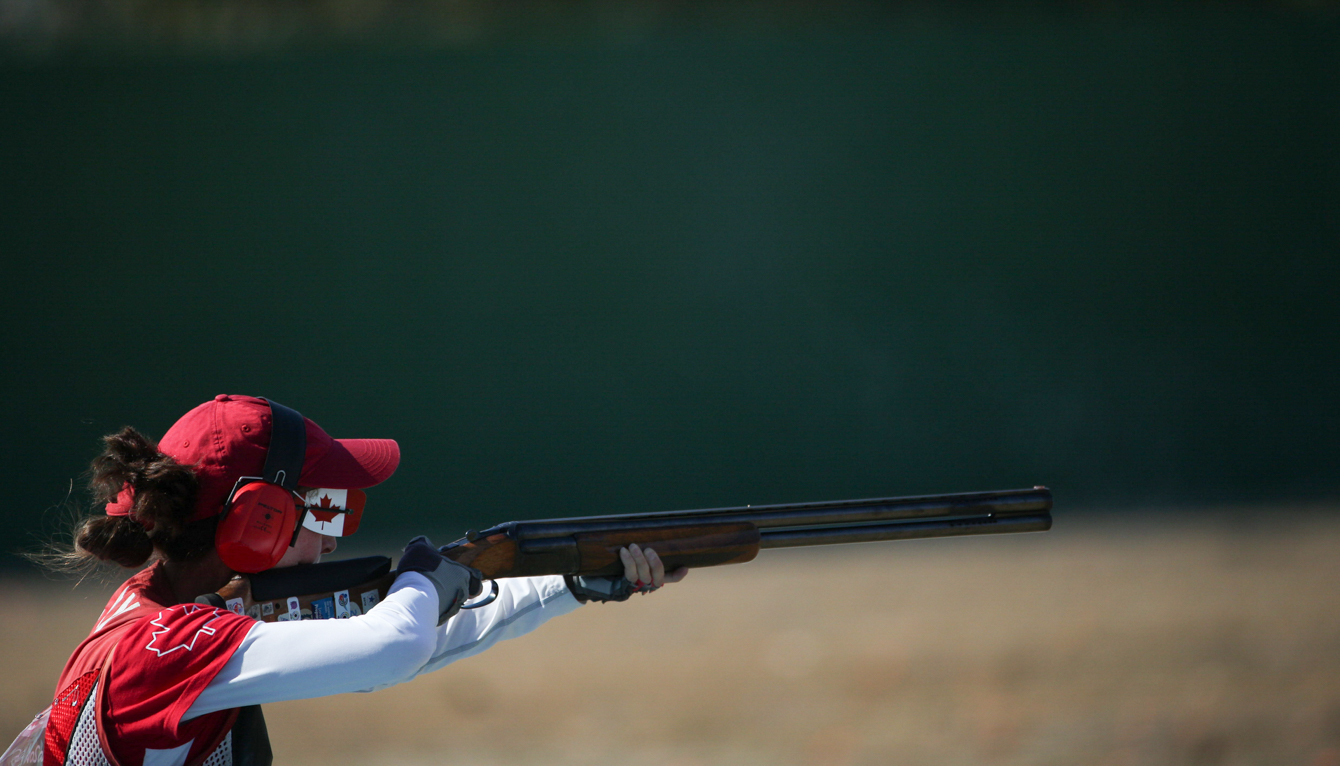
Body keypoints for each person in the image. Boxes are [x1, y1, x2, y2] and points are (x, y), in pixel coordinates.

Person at [30, 395, 685, 766]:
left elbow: (410, 639)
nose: (332, 536)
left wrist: (575, 581)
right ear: (258, 521)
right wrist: (425, 575)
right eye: (323, 509)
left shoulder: (172, 608)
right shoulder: (169, 647)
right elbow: (391, 646)